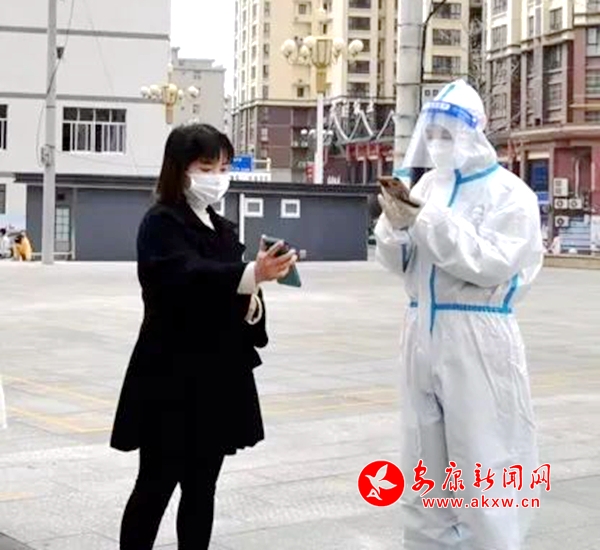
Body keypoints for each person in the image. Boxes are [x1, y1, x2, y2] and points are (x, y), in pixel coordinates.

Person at [111, 123, 297, 550]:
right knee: (155, 483)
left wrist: (253, 293)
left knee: (202, 485)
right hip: (170, 376)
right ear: (179, 170)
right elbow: (184, 278)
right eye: (206, 167)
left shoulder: (222, 228)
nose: (217, 177)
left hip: (216, 375)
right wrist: (248, 275)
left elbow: (233, 290)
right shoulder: (161, 223)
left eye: (224, 168)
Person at [375, 80, 544, 549]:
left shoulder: (509, 194)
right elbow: (400, 262)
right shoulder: (428, 184)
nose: (437, 143)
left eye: (447, 134)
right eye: (431, 134)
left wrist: (425, 220)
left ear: (474, 132)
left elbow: (489, 263)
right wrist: (393, 226)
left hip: (476, 335)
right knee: (422, 463)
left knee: (484, 456)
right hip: (421, 328)